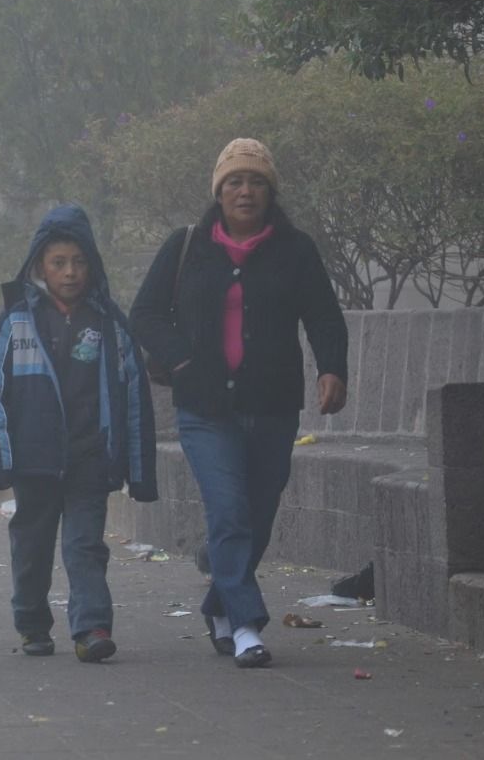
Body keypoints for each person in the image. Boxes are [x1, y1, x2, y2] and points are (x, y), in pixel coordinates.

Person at [129, 139, 348, 669]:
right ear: (218, 192)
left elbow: (322, 314)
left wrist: (332, 367)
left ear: (270, 192)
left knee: (258, 515)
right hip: (205, 408)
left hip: (272, 403)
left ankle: (219, 605)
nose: (244, 191)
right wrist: (183, 361)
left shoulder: (295, 251)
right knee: (228, 511)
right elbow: (146, 314)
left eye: (255, 182)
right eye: (234, 182)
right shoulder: (187, 245)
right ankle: (247, 625)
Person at [0, 204, 157, 662]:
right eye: (59, 263)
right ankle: (33, 625)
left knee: (85, 547)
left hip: (90, 459)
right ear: (40, 265)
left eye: (79, 262)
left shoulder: (109, 323)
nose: (70, 272)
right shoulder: (16, 320)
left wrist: (139, 471)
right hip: (33, 461)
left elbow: (134, 397)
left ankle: (92, 628)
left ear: (91, 265)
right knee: (32, 549)